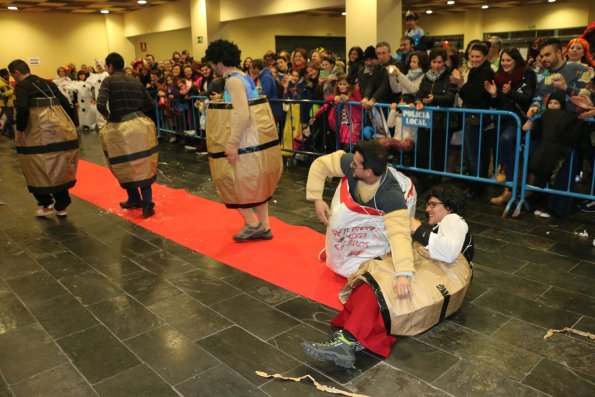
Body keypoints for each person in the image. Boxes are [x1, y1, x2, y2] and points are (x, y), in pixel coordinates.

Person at [302, 183, 473, 368]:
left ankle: (348, 339)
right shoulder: (443, 226)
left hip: (439, 277)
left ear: (449, 207)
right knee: (376, 287)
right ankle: (352, 339)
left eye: (433, 204)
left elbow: (448, 253)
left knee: (376, 285)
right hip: (439, 279)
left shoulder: (453, 219)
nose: (428, 209)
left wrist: (418, 229)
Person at [204, 39, 283, 242]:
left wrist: (232, 143)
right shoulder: (244, 77)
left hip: (244, 141)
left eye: (213, 63)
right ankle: (265, 226)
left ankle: (253, 223)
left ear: (219, 61)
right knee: (256, 186)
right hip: (255, 141)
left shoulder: (232, 81)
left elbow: (242, 114)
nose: (213, 67)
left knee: (231, 183)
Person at [305, 141, 416, 278]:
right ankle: (338, 249)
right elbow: (320, 165)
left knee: (385, 237)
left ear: (368, 172)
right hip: (359, 205)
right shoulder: (351, 163)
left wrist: (403, 275)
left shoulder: (391, 196)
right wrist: (317, 199)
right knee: (339, 220)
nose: (351, 165)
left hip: (381, 217)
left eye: (355, 165)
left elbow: (400, 234)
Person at [8, 59, 79, 217]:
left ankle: (46, 204)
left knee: (34, 165)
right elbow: (65, 102)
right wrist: (74, 124)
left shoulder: (21, 87)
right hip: (58, 131)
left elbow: (23, 108)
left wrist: (20, 130)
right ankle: (61, 207)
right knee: (59, 163)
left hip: (36, 133)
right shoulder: (48, 83)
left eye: (13, 75)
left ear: (17, 73)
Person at [96, 52, 158, 218]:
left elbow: (101, 104)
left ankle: (133, 198)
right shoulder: (135, 81)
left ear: (109, 66)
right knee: (143, 164)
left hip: (120, 128)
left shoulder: (108, 80)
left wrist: (107, 115)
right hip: (140, 126)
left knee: (124, 164)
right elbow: (150, 104)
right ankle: (146, 204)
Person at [484, 48, 536, 206]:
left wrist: (510, 92)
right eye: (503, 60)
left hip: (519, 120)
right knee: (511, 154)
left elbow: (528, 98)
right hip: (502, 119)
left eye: (509, 60)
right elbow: (496, 103)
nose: (505, 63)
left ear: (516, 60)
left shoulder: (527, 73)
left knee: (506, 141)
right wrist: (493, 94)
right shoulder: (498, 77)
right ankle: (508, 192)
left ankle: (501, 167)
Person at [0, 68, 16, 138]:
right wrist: (14, 89)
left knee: (10, 118)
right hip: (4, 103)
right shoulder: (1, 83)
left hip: (9, 103)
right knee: (10, 118)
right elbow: (4, 94)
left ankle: (8, 133)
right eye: (7, 75)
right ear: (3, 75)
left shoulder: (6, 81)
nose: (9, 76)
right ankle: (6, 132)